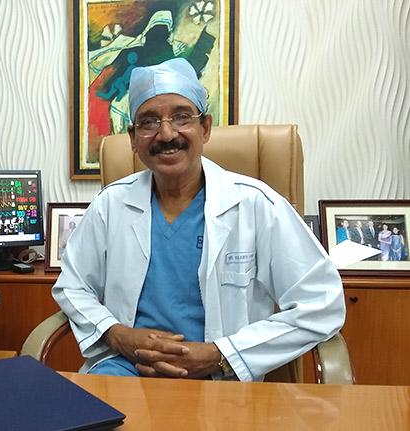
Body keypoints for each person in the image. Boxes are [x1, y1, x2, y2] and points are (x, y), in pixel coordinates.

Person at [52, 58, 345, 382]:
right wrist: (116, 334)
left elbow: (322, 302)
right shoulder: (110, 205)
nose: (166, 134)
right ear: (133, 138)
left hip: (221, 378)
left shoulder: (256, 205)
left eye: (181, 117)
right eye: (149, 122)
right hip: (125, 369)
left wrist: (222, 355)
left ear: (204, 128)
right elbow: (72, 286)